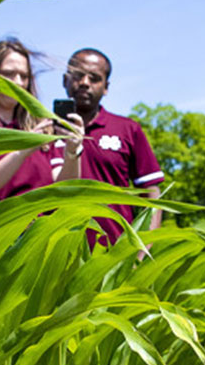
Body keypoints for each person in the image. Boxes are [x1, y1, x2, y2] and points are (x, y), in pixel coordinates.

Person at [0, 38, 82, 205]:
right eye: (8, 74)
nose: (18, 82)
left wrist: (72, 151)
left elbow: (65, 190)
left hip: (44, 228)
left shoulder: (45, 127)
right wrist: (22, 151)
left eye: (24, 76)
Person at [61, 48, 164, 245]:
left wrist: (142, 252)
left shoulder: (127, 129)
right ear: (65, 80)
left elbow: (151, 193)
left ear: (106, 87)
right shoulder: (43, 130)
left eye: (94, 78)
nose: (84, 83)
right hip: (55, 256)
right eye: (78, 75)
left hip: (112, 254)